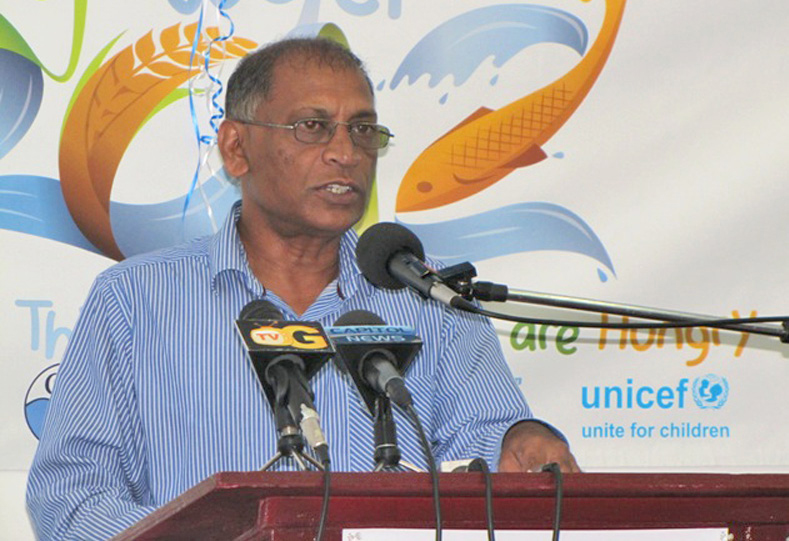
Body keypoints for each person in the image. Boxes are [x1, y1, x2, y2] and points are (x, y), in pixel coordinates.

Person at [26, 37, 579, 540]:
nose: (346, 152)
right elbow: (71, 500)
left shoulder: (432, 299)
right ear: (236, 148)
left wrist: (522, 441)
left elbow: (491, 456)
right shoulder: (136, 301)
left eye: (362, 129)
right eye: (312, 126)